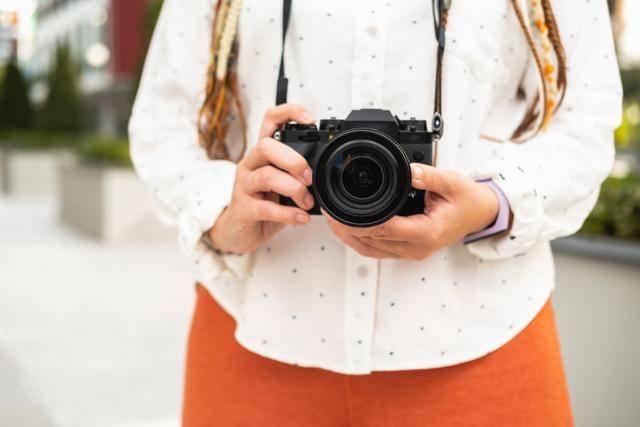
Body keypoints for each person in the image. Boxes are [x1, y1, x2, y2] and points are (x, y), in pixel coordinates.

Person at [129, 0, 621, 425]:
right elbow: (162, 123)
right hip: (255, 331)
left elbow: (585, 120)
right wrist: (224, 213)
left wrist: (491, 204)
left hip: (485, 341)